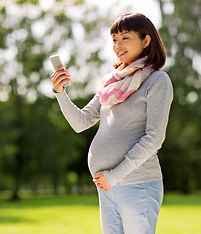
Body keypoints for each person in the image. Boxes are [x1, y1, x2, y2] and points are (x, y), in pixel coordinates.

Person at [51, 13, 173, 234]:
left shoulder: (157, 81)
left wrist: (114, 176)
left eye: (125, 38)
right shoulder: (111, 83)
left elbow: (154, 138)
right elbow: (81, 122)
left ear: (146, 40)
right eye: (114, 40)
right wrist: (60, 92)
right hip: (107, 188)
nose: (117, 45)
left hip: (138, 185)